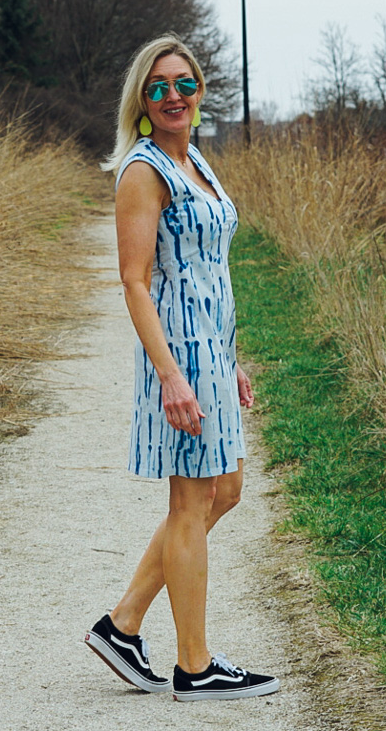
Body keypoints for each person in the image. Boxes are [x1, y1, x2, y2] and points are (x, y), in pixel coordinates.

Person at [85, 34, 279, 702]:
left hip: (210, 354)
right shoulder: (144, 170)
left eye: (184, 83)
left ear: (200, 90)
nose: (174, 96)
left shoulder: (196, 159)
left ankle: (123, 622)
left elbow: (210, 271)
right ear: (142, 100)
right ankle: (195, 665)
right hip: (178, 356)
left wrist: (231, 360)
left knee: (224, 491)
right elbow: (136, 282)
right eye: (159, 86)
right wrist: (172, 374)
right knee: (192, 500)